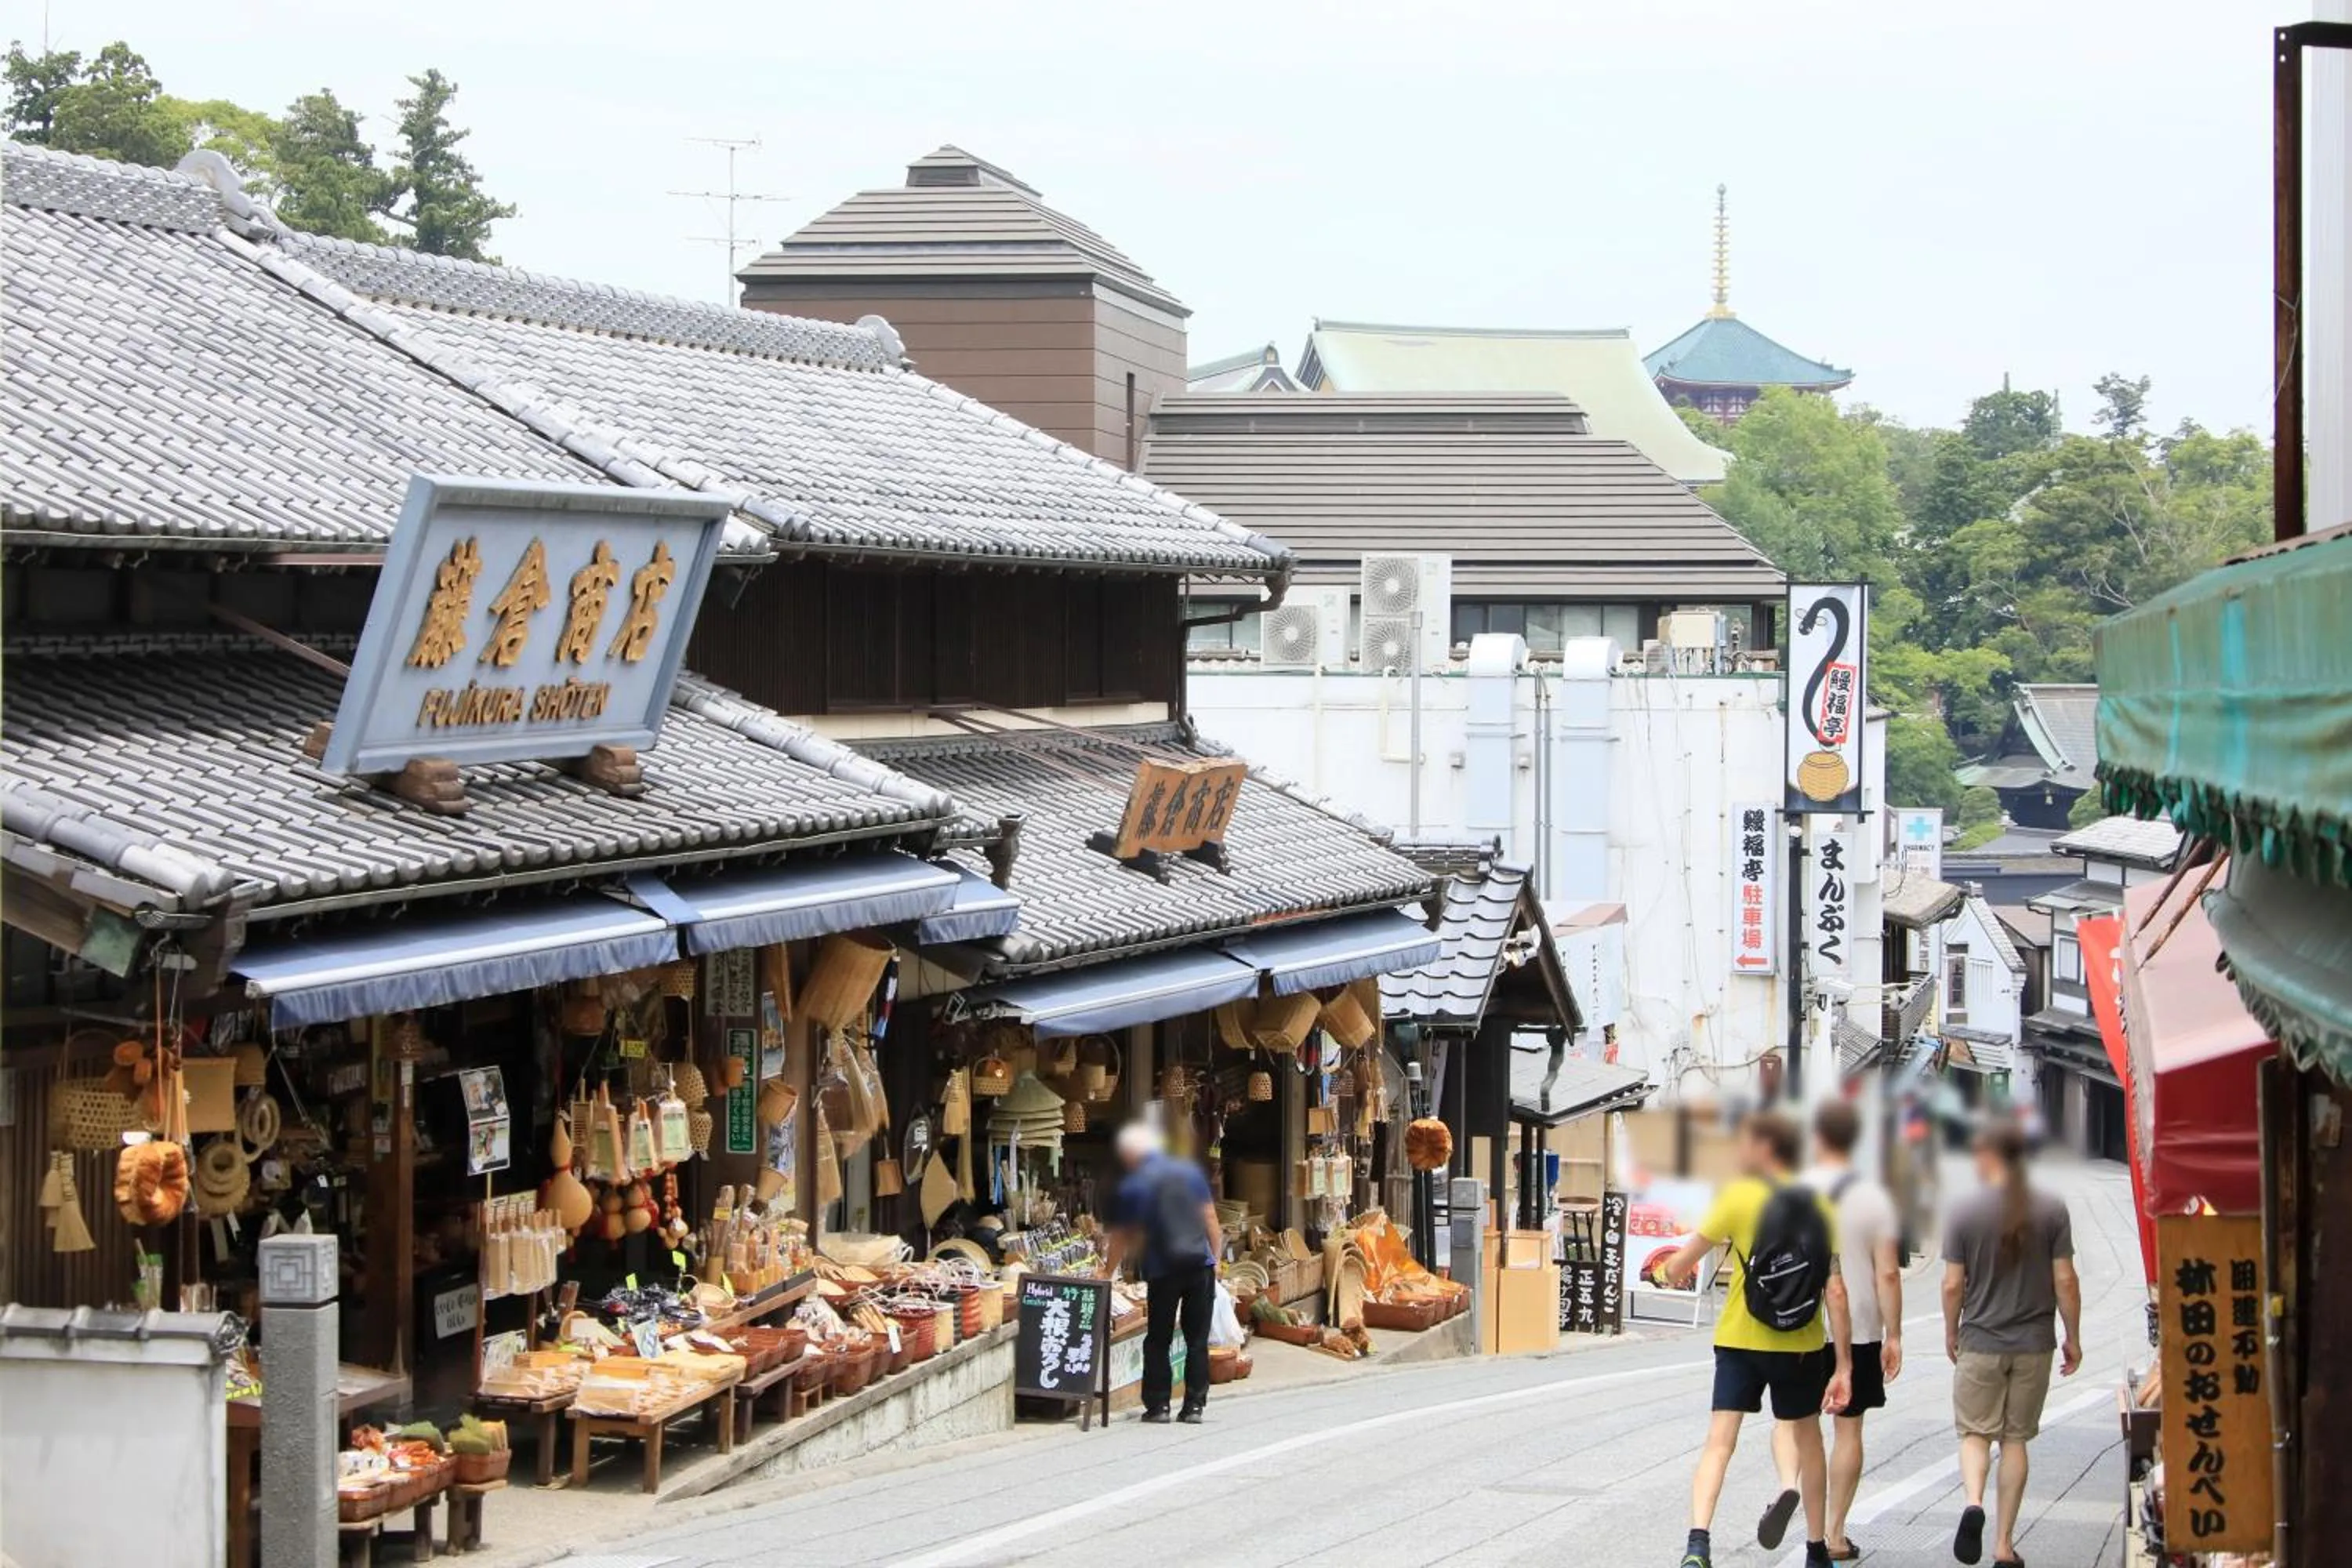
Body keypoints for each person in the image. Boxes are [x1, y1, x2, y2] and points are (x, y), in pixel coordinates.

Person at [1649, 1110, 1853, 1568]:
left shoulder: (1737, 1197)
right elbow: (1835, 1289)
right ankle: (1817, 1550)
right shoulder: (1820, 1205)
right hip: (1800, 1345)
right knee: (1809, 1442)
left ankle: (1698, 1545)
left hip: (1740, 1341)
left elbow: (1684, 1261)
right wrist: (1843, 1365)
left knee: (1720, 1442)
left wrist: (1663, 1274)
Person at [1942, 1117, 2082, 1567]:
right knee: (2016, 1440)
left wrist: (1951, 1330)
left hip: (1980, 1341)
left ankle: (1974, 1504)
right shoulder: (2051, 1208)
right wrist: (2072, 1337)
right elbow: (2065, 1279)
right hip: (2034, 1344)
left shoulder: (1963, 1210)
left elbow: (1951, 1285)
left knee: (1975, 1434)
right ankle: (2003, 1545)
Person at [1769, 1098, 1904, 1562]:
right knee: (1849, 1431)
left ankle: (1788, 1485)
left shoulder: (1792, 1191)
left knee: (1792, 1421)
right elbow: (1888, 1273)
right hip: (1860, 1328)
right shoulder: (1874, 1196)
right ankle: (1834, 1534)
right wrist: (1895, 1335)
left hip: (1797, 1324)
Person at [1105, 1122, 1223, 1425]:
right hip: (1200, 1265)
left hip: (1163, 1269)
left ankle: (1159, 1407)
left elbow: (1121, 1234)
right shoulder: (1190, 1173)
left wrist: (1107, 1271)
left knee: (1158, 1338)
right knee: (1197, 1339)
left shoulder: (1135, 1183)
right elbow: (1210, 1217)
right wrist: (1217, 1259)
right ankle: (1194, 1406)